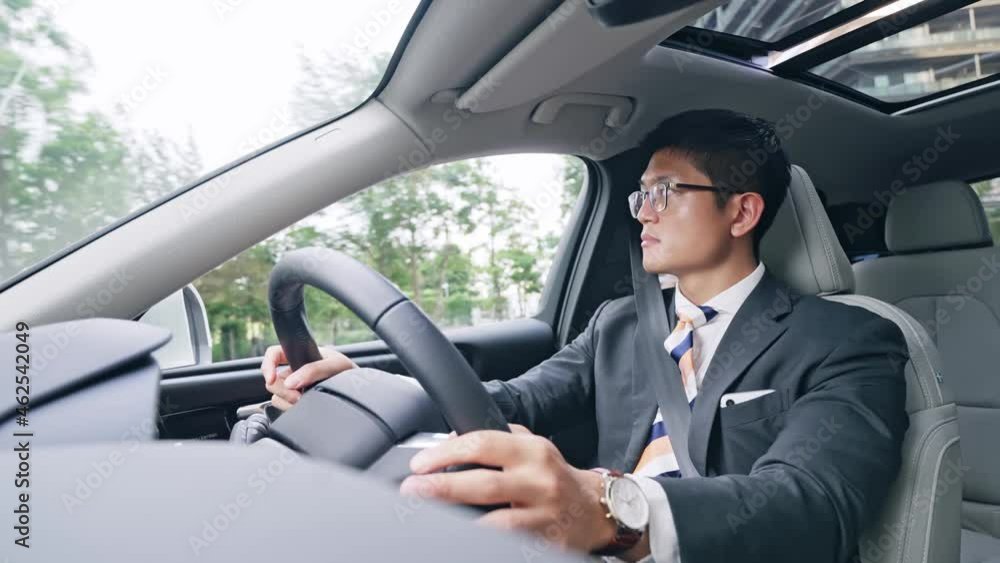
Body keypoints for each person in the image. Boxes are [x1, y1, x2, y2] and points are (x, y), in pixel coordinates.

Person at [259, 109, 909, 562]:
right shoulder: (618, 323)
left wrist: (609, 508)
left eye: (665, 192)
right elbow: (510, 402)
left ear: (741, 211)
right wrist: (362, 387)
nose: (643, 213)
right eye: (640, 195)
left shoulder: (850, 339)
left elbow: (812, 504)